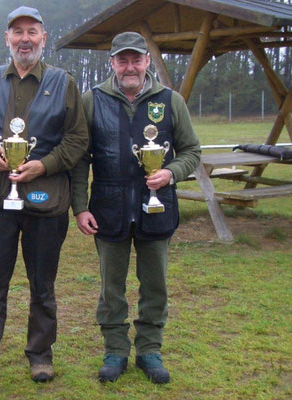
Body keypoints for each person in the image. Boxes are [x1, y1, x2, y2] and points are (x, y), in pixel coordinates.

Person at [0, 6, 88, 389]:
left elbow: (78, 139)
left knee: (42, 285)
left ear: (43, 38)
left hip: (47, 200)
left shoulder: (64, 82)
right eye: (18, 32)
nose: (25, 39)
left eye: (32, 31)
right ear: (7, 39)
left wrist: (43, 165)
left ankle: (41, 355)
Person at [71, 32, 201, 384]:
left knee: (155, 285)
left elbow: (191, 152)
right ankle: (115, 350)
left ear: (147, 61)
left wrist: (170, 173)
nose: (130, 66)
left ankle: (149, 350)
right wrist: (80, 207)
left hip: (156, 208)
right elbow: (81, 159)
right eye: (122, 60)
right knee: (111, 287)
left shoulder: (170, 101)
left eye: (136, 59)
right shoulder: (92, 100)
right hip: (108, 207)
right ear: (112, 63)